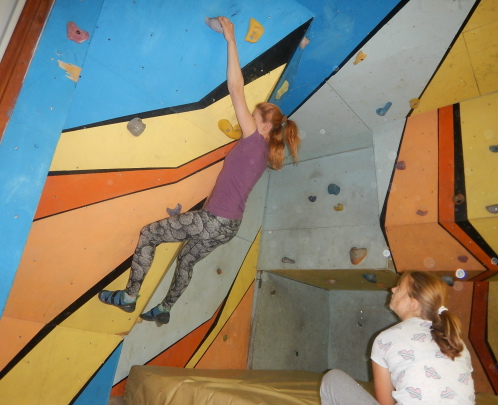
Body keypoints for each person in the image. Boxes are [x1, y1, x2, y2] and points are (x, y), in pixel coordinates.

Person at [98, 16, 300, 326]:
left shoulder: (253, 141)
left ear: (262, 126)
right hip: (228, 226)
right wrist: (194, 219)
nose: (247, 117)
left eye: (253, 115)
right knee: (186, 261)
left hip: (214, 221)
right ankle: (164, 309)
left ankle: (128, 298)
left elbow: (236, 88)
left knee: (149, 235)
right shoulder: (263, 154)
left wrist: (231, 39)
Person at [320, 271, 475, 405]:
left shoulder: (385, 339)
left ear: (412, 303)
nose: (393, 289)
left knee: (332, 378)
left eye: (399, 287)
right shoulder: (455, 341)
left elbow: (385, 402)